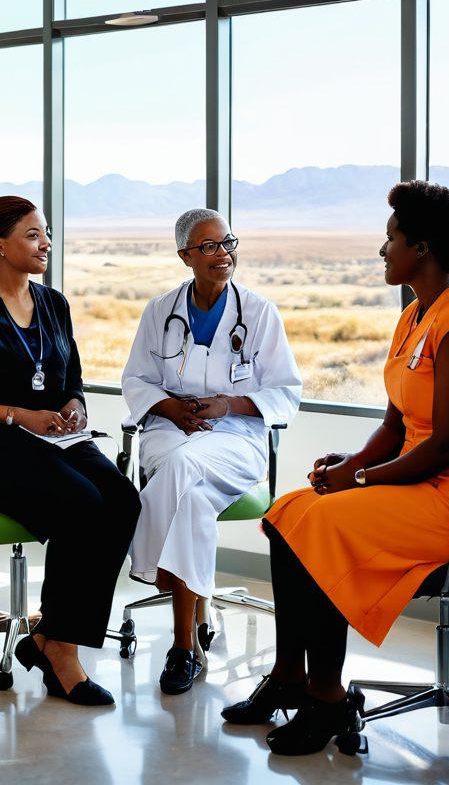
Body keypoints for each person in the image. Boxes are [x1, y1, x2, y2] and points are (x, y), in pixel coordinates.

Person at [222, 181, 449, 756]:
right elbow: (395, 427)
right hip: (427, 483)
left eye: (392, 239)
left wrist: (358, 482)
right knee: (289, 512)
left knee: (328, 521)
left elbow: (447, 447)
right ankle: (289, 675)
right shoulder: (415, 315)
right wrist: (353, 462)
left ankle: (329, 699)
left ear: (424, 248)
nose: (382, 250)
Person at [0, 196, 140, 707]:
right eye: (32, 234)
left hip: (55, 440)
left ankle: (49, 637)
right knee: (82, 503)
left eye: (45, 233)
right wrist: (18, 415)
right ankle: (61, 652)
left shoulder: (54, 303)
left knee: (123, 500)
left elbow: (74, 381)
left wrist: (75, 406)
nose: (46, 242)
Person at [122, 208, 302, 695]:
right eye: (208, 247)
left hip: (235, 439)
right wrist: (171, 410)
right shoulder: (161, 311)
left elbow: (286, 391)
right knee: (192, 500)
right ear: (185, 255)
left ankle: (151, 565)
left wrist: (229, 404)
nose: (222, 254)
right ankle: (185, 647)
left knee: (182, 471)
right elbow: (136, 380)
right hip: (169, 430)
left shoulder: (260, 313)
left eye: (228, 244)